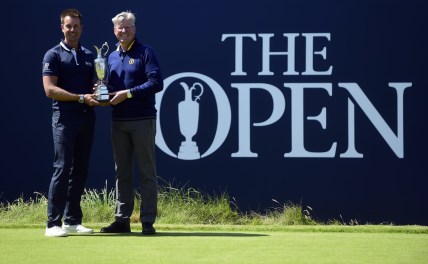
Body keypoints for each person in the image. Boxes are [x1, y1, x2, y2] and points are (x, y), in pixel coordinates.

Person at [100, 11, 163, 235]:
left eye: (128, 27)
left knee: (147, 171)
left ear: (134, 29)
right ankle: (122, 220)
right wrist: (101, 93)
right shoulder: (111, 57)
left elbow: (156, 83)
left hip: (143, 119)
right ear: (114, 31)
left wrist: (127, 94)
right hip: (119, 121)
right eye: (120, 28)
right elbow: (107, 84)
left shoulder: (146, 53)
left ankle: (147, 221)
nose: (124, 31)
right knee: (122, 172)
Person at [42, 8, 100, 237]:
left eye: (76, 26)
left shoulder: (88, 55)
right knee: (62, 168)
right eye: (69, 26)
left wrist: (97, 89)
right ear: (62, 27)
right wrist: (79, 97)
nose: (72, 30)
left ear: (81, 28)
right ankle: (52, 224)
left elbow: (94, 83)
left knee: (80, 170)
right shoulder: (53, 55)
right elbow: (50, 90)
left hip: (87, 116)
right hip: (64, 117)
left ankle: (73, 220)